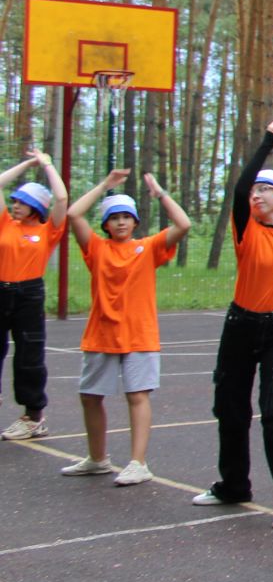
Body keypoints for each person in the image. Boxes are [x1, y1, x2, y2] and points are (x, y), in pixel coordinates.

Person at [196, 118, 273, 529]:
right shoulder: (245, 229)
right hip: (240, 325)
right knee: (229, 408)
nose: (256, 194)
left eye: (266, 189)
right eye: (255, 189)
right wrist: (266, 143)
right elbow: (237, 188)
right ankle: (233, 485)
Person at [58, 171, 189, 485]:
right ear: (105, 224)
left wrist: (160, 193)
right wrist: (104, 186)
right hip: (101, 334)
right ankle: (97, 458)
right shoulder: (97, 249)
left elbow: (183, 224)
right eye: (114, 218)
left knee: (137, 396)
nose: (120, 223)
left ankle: (138, 462)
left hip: (139, 334)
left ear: (134, 223)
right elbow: (73, 213)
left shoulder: (148, 248)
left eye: (126, 217)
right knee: (90, 396)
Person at [0, 149, 68, 441]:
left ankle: (33, 417)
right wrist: (27, 163)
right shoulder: (5, 224)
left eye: (22, 202)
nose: (16, 205)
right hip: (1, 290)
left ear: (36, 208)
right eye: (14, 201)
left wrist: (48, 165)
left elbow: (63, 199)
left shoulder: (47, 231)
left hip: (29, 294)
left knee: (29, 356)